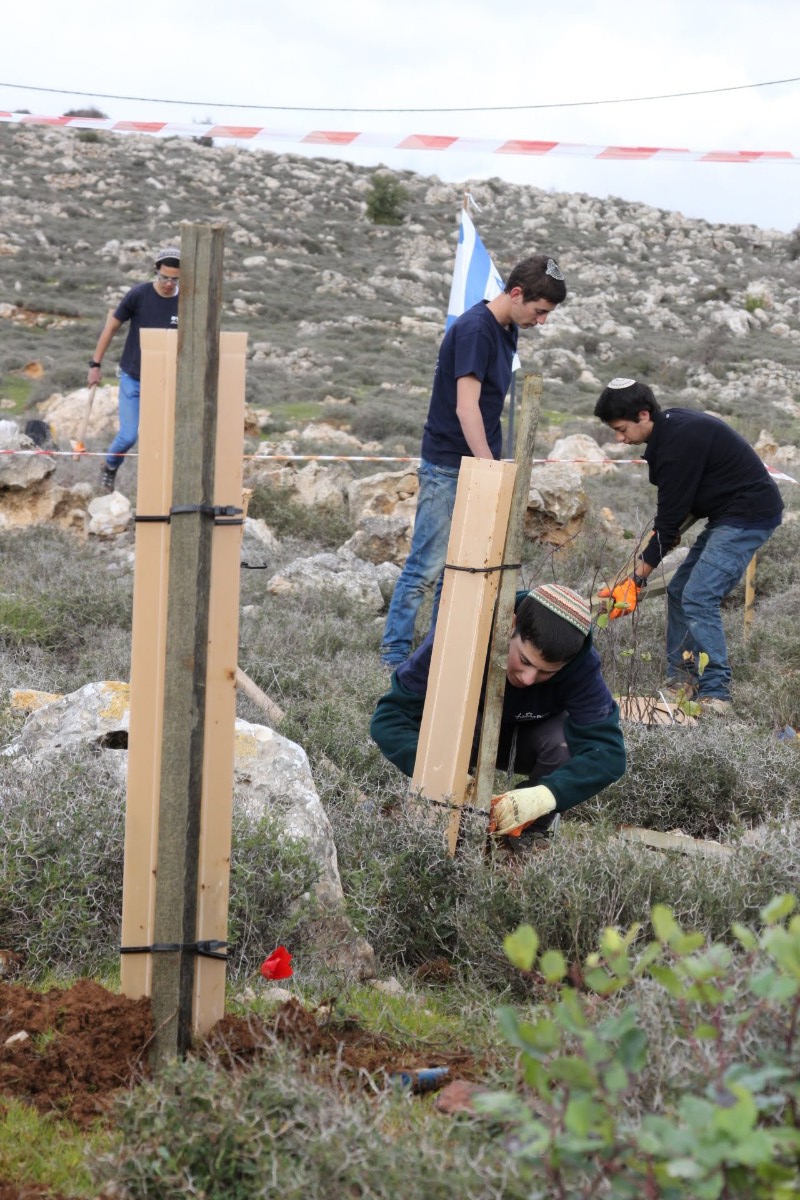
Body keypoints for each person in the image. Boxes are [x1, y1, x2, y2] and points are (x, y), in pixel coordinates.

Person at [379, 255, 567, 667]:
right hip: (450, 462)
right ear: (517, 294)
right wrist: (488, 466)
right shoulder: (475, 330)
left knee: (456, 567)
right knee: (426, 565)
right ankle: (394, 653)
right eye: (539, 312)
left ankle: (434, 649)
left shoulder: (506, 330)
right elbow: (467, 408)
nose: (542, 321)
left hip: (478, 463)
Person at [371, 583, 626, 848]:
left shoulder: (581, 666)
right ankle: (442, 826)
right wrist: (439, 772)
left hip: (531, 740)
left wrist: (544, 796)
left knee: (564, 743)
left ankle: (522, 834)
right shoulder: (460, 631)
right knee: (448, 721)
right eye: (525, 661)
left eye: (546, 672)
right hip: (466, 735)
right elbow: (390, 717)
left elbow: (608, 753)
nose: (528, 679)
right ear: (510, 624)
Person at [593, 378, 784, 714]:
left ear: (643, 414)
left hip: (748, 515)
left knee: (698, 595)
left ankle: (716, 693)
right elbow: (674, 519)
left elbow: (668, 526)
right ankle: (682, 680)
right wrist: (637, 571)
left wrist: (636, 580)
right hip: (727, 514)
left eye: (622, 429)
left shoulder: (677, 445)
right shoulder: (670, 432)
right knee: (680, 589)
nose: (620, 439)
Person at [87, 246, 181, 492]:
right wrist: (95, 365)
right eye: (164, 277)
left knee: (161, 439)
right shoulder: (138, 294)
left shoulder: (186, 302)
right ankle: (109, 467)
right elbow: (111, 328)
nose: (169, 283)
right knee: (128, 436)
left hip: (166, 381)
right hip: (134, 377)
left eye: (174, 279)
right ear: (156, 271)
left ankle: (156, 487)